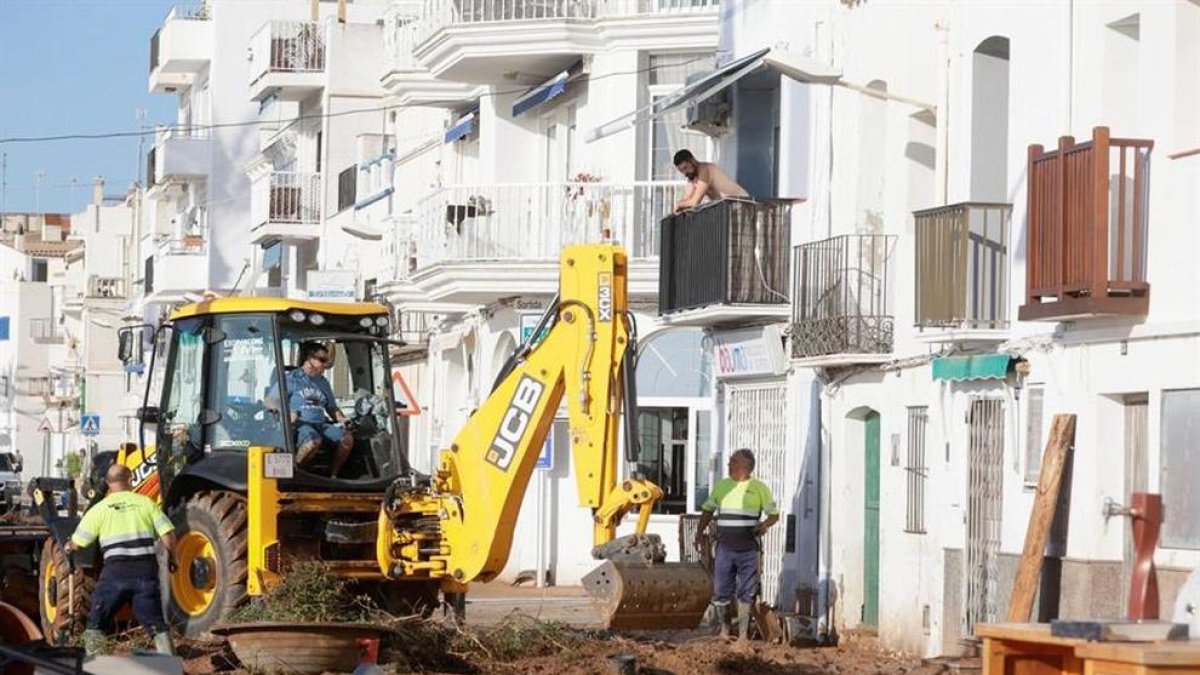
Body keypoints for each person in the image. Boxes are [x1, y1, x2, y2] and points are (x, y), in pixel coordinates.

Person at [66, 464, 177, 656]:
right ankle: (170, 662)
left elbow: (79, 542)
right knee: (156, 623)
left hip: (115, 574)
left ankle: (94, 664)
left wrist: (69, 546)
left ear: (108, 483)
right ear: (131, 479)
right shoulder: (146, 503)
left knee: (96, 621)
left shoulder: (99, 509)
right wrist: (173, 557)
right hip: (145, 574)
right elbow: (168, 534)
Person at [694, 448, 779, 641]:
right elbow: (708, 510)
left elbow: (774, 515)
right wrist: (700, 532)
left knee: (747, 592)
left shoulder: (759, 488)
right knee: (721, 590)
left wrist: (764, 525)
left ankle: (742, 635)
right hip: (725, 548)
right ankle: (725, 629)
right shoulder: (722, 486)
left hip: (749, 550)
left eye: (732, 461)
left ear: (744, 466)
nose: (728, 464)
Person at [281, 341, 354, 477]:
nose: (325, 365)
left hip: (321, 424)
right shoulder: (292, 379)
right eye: (322, 360)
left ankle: (333, 476)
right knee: (313, 441)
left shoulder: (323, 382)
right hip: (300, 424)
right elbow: (271, 401)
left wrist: (343, 420)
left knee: (347, 439)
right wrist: (286, 414)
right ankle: (294, 473)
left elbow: (332, 408)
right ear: (310, 359)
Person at [672, 149, 749, 213]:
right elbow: (687, 198)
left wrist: (680, 205)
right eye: (681, 171)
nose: (685, 173)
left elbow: (694, 202)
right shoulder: (692, 177)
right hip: (729, 208)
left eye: (685, 168)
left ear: (692, 160)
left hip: (742, 203)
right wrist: (679, 205)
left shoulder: (705, 169)